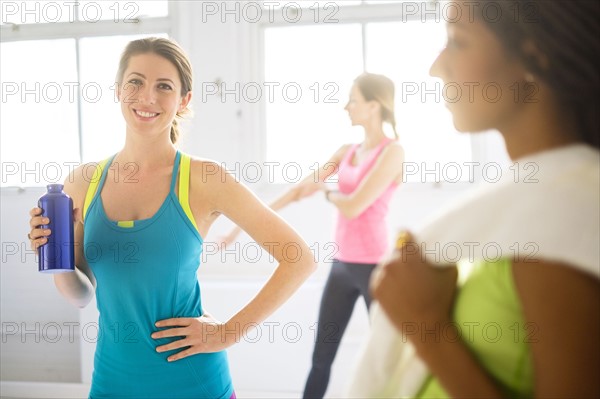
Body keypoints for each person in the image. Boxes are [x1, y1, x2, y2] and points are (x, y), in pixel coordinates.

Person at [27, 37, 316, 399]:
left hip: (193, 383)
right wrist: (57, 258)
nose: (147, 97)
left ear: (183, 100)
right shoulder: (83, 181)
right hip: (112, 383)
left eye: (164, 86)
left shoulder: (203, 178)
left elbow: (299, 258)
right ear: (118, 90)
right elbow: (81, 296)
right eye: (135, 81)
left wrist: (226, 332)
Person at [348, 1, 600, 398]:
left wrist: (426, 327)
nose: (436, 67)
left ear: (533, 56)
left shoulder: (560, 220)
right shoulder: (530, 209)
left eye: (457, 42)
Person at [221, 73, 404, 398]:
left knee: (387, 359)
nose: (346, 106)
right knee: (321, 357)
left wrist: (327, 190)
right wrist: (238, 227)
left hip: (376, 268)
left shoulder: (392, 153)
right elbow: (298, 190)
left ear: (374, 106)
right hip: (342, 265)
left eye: (353, 100)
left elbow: (354, 205)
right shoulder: (346, 150)